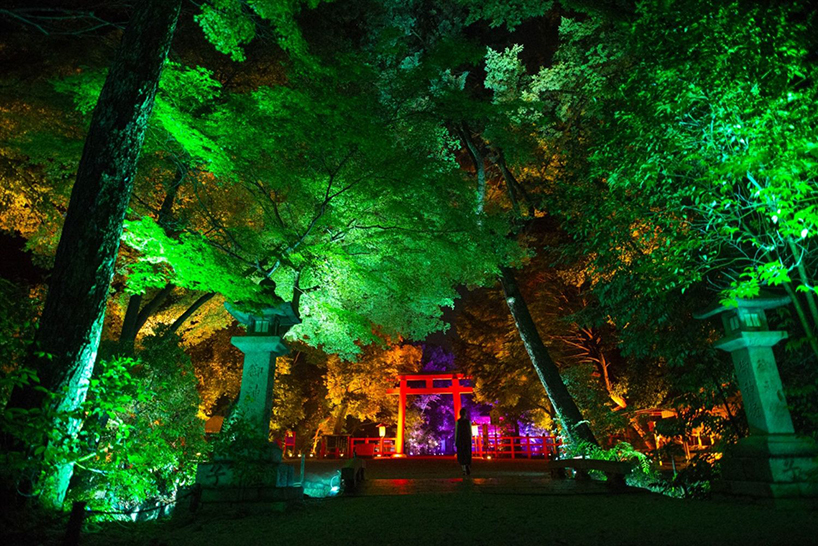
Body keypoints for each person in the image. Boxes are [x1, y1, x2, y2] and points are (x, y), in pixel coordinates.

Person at [454, 408, 472, 476]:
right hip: (467, 441)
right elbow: (470, 432)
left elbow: (456, 433)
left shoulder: (458, 422)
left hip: (460, 441)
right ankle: (467, 465)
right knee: (467, 455)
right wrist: (470, 440)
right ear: (465, 414)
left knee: (461, 455)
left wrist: (456, 441)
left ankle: (464, 469)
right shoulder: (468, 422)